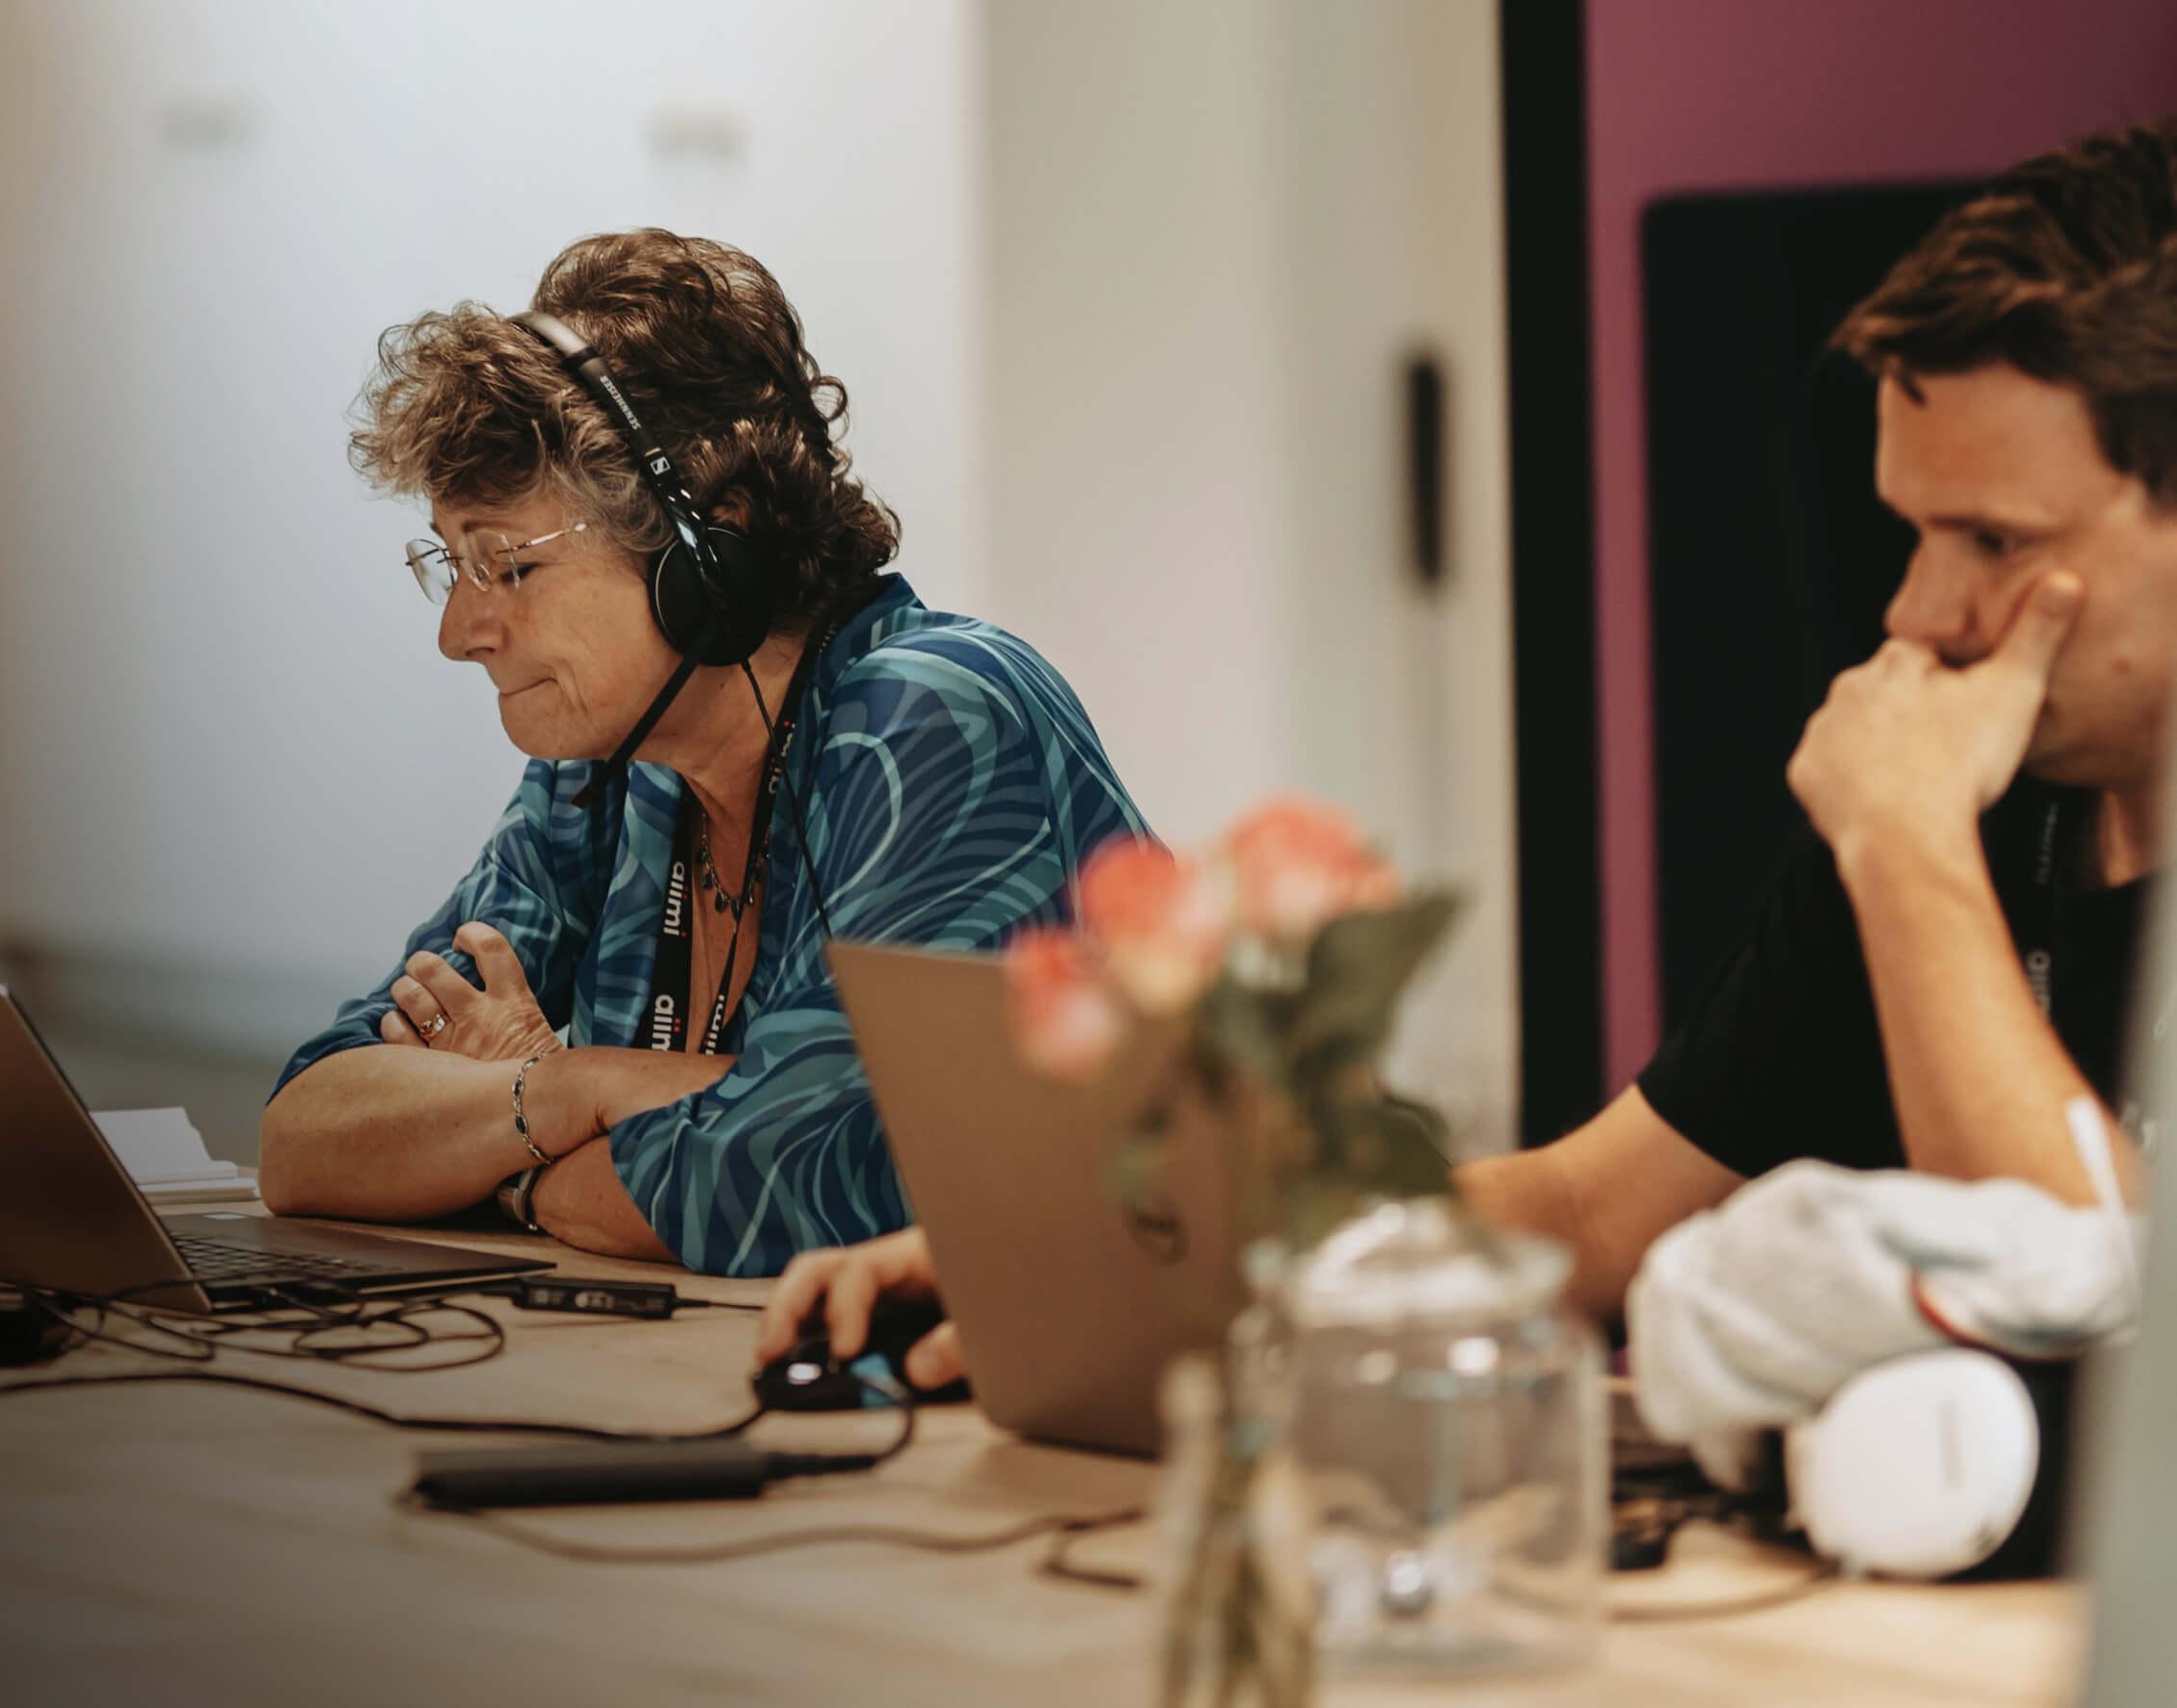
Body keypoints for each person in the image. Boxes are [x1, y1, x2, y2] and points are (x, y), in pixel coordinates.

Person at [762, 114, 2177, 1380]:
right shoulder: (1962, 802)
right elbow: (1586, 1212)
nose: (1917, 614)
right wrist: (1117, 1256)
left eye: (1994, 542)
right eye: (1913, 533)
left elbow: (2130, 1356)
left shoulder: (1916, 815)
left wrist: (1910, 849)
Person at [259, 230, 1145, 1278]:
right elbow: (307, 1132)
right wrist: (562, 1091)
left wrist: (493, 1144)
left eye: (503, 564)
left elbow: (801, 1179)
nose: (458, 631)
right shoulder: (601, 771)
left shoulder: (928, 718)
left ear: (706, 549)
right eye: (449, 565)